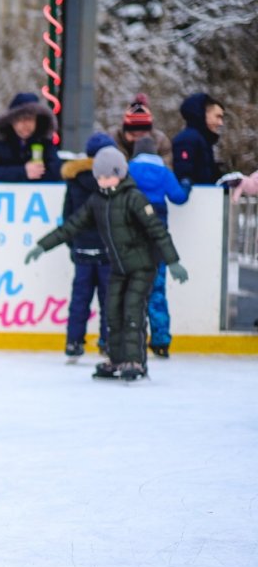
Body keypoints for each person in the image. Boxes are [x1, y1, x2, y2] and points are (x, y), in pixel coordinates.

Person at [25, 147, 187, 382]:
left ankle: (135, 361)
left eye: (107, 176)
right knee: (112, 312)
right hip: (119, 267)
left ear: (120, 173)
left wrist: (173, 262)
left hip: (142, 266)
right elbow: (72, 226)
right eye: (98, 177)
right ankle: (117, 359)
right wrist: (42, 245)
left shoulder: (135, 198)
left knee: (132, 310)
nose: (102, 181)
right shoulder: (97, 201)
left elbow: (157, 231)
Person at [129, 135, 191, 357]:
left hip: (134, 236)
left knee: (132, 289)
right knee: (157, 289)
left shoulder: (129, 170)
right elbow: (178, 197)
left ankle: (133, 338)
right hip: (158, 237)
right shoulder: (164, 172)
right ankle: (161, 340)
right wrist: (186, 184)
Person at [57, 132, 117, 361]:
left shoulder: (74, 179)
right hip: (107, 251)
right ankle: (108, 342)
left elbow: (68, 215)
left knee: (80, 298)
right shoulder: (112, 181)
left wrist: (74, 244)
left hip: (82, 250)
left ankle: (73, 343)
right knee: (108, 299)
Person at [0, 92, 61, 182]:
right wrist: (22, 172)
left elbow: (56, 170)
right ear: (11, 120)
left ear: (37, 120)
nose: (25, 124)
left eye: (30, 119)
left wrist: (35, 173)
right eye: (20, 119)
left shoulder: (44, 139)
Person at [172, 92, 226, 185]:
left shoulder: (204, 140)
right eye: (217, 117)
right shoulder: (188, 139)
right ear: (204, 113)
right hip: (195, 198)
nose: (221, 123)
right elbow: (183, 174)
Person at [114, 94, 172, 166]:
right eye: (133, 134)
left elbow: (167, 168)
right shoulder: (114, 141)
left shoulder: (160, 141)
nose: (137, 139)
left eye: (142, 134)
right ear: (125, 130)